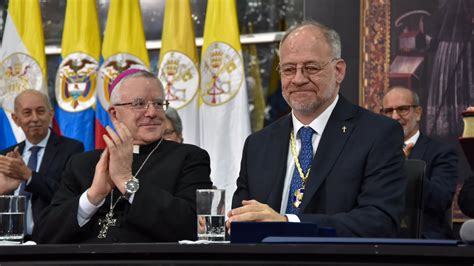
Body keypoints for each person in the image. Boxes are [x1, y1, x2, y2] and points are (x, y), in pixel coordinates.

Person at [227, 21, 406, 237]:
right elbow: (240, 220)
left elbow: (379, 221)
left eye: (311, 68)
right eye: (289, 69)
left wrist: (288, 222)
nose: (299, 79)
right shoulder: (257, 144)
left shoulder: (378, 134)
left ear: (338, 71)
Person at [36, 69, 212, 243]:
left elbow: (193, 226)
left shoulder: (190, 158)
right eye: (139, 104)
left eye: (158, 104)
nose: (152, 113)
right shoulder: (82, 164)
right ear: (114, 114)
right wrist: (93, 196)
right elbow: (44, 235)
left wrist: (127, 182)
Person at [0, 89, 84, 241]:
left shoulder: (72, 149)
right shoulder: (7, 156)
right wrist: (3, 191)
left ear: (50, 114)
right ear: (15, 119)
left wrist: (28, 175)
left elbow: (70, 200)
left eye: (40, 111)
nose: (35, 118)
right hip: (10, 242)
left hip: (51, 241)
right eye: (27, 113)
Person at [381, 86, 458, 239]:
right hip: (379, 239)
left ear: (418, 113)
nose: (394, 117)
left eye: (402, 109)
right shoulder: (374, 152)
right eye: (388, 111)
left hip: (424, 240)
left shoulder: (441, 152)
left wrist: (405, 168)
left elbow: (440, 200)